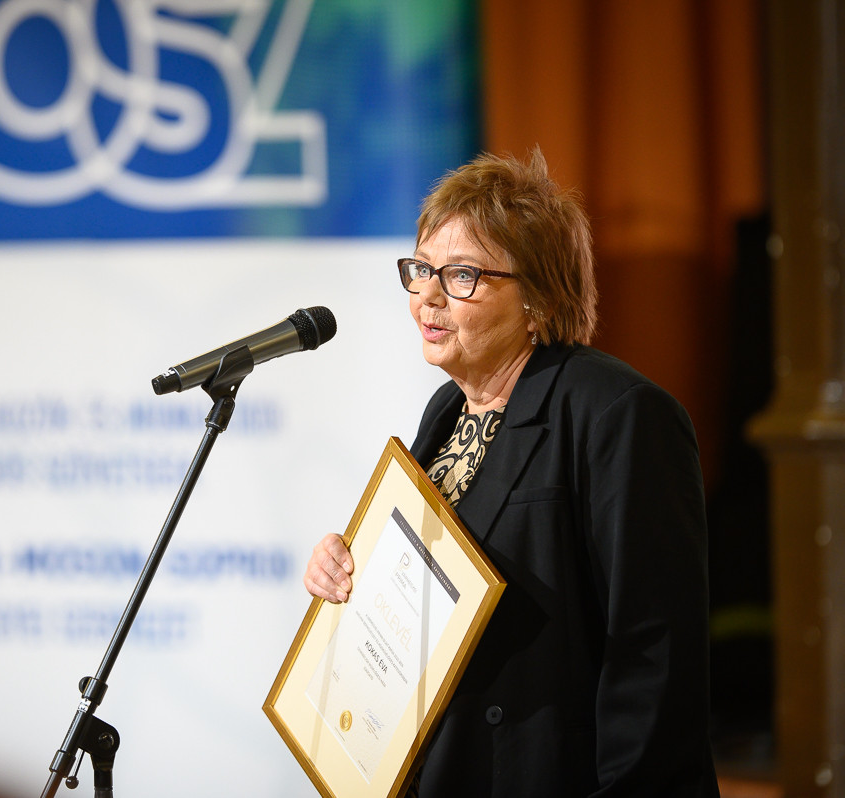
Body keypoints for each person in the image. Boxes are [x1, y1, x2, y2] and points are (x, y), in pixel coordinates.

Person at [303, 149, 720, 797]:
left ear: (538, 298)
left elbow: (654, 654)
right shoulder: (446, 411)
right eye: (422, 269)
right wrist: (349, 569)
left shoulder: (617, 413)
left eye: (462, 275)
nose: (427, 296)